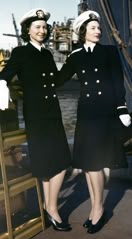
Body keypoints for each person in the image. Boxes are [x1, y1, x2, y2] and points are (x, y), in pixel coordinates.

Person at [57, 10, 132, 234]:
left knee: (96, 164)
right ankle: (94, 209)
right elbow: (57, 79)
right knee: (88, 166)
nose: (98, 31)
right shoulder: (75, 55)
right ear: (82, 32)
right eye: (93, 28)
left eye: (99, 28)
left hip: (104, 114)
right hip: (86, 114)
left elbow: (117, 82)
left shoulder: (109, 52)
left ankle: (98, 209)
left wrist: (122, 108)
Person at [0, 8, 72, 231]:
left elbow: (58, 80)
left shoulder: (47, 54)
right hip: (37, 117)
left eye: (44, 27)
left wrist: (75, 62)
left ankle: (49, 205)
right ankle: (51, 210)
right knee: (44, 163)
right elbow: (6, 73)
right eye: (37, 27)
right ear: (28, 31)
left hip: (53, 113)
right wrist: (1, 84)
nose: (42, 30)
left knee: (62, 161)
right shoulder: (21, 53)